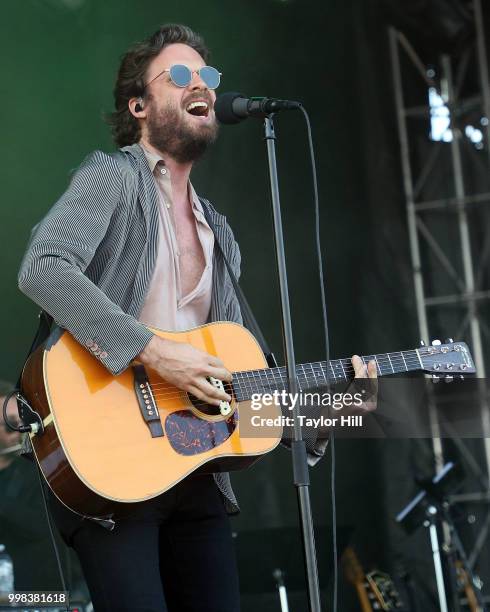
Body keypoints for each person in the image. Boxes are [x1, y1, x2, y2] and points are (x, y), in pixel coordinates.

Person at [17, 24, 377, 611]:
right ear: (139, 105)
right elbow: (44, 267)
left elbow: (237, 385)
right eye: (179, 75)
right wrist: (155, 353)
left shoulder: (220, 232)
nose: (201, 83)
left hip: (195, 470)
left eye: (208, 75)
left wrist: (327, 407)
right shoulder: (112, 178)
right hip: (107, 461)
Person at [0, 380, 87, 598]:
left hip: (44, 593)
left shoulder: (43, 469)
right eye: (11, 423)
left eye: (22, 421)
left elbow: (41, 525)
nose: (20, 429)